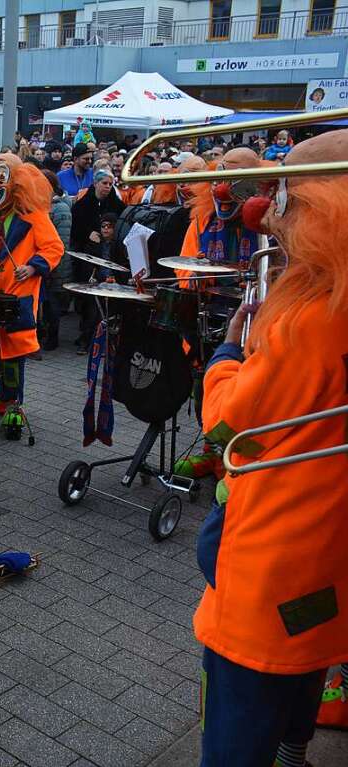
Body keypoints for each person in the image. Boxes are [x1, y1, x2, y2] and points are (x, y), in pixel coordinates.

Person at [194, 131, 348, 767]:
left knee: (244, 688)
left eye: (284, 194)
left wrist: (230, 352)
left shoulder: (311, 317)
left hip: (275, 547)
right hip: (328, 543)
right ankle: (294, 751)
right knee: (308, 640)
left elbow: (228, 428)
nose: (270, 211)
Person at [0, 156, 63, 418]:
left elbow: (54, 247)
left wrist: (32, 267)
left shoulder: (33, 216)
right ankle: (4, 399)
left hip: (17, 295)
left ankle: (14, 405)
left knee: (14, 350)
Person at [69, 169, 126, 351]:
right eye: (104, 184)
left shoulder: (116, 205)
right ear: (95, 184)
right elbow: (74, 229)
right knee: (88, 303)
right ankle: (86, 336)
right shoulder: (82, 205)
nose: (108, 187)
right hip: (89, 257)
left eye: (110, 184)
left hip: (110, 256)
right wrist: (88, 234)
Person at [41, 169, 72, 352]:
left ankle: (52, 338)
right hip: (48, 262)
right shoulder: (46, 206)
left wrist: (52, 264)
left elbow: (62, 241)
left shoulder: (60, 208)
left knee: (52, 303)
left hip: (56, 264)